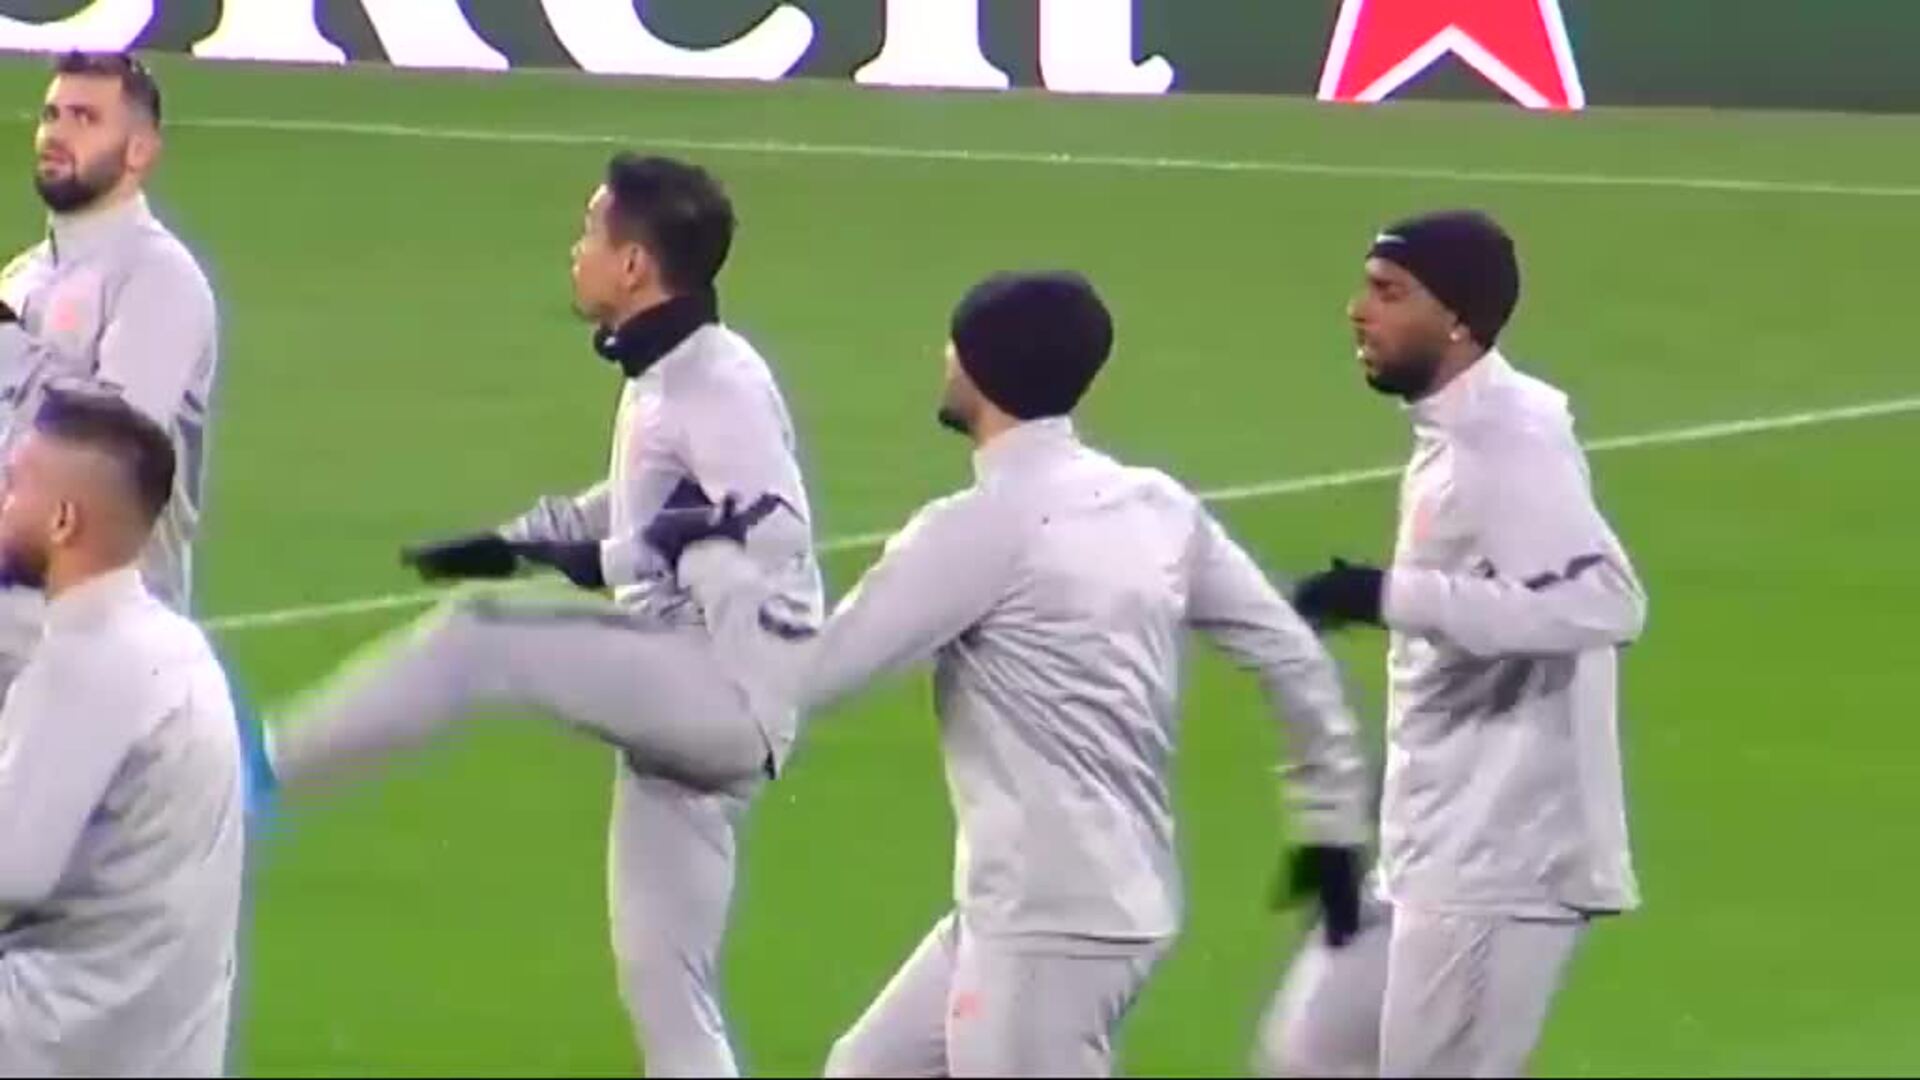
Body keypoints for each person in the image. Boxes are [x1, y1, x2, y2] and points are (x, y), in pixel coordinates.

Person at [670, 272, 1373, 1078]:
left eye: (954, 343)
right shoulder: (1156, 506)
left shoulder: (978, 530)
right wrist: (1331, 816)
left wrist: (719, 564)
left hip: (1051, 923)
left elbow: (811, 677)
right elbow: (1291, 653)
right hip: (1079, 899)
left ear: (979, 364)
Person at [264, 153, 820, 1078]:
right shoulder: (675, 368)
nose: (575, 251)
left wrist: (591, 561)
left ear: (635, 264)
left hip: (723, 679)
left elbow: (770, 525)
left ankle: (250, 777)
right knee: (666, 991)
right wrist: (524, 538)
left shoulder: (714, 382)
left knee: (482, 638)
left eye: (590, 232)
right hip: (696, 708)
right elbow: (643, 497)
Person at [1258, 211, 1647, 1078]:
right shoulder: (1453, 431)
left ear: (1460, 320)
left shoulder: (1506, 439)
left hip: (1503, 861)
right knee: (1312, 1054)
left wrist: (1393, 595)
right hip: (1430, 846)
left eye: (1390, 294)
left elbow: (1607, 603)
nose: (1358, 311)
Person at [0, 384, 244, 1076]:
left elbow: (9, 869)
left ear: (63, 521)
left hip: (64, 1035)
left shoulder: (85, 663)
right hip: (161, 1034)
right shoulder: (171, 644)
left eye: (11, 485)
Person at [0, 50, 219, 689]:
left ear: (139, 152)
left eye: (86, 118)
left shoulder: (159, 280)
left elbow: (107, 461)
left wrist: (11, 345)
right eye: (51, 114)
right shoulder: (22, 277)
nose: (58, 133)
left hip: (102, 641)